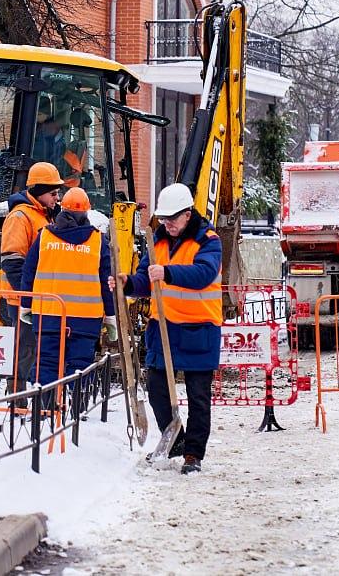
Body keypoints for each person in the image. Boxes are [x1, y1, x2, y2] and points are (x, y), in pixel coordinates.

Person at [122, 182, 222, 475]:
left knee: (198, 397)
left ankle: (193, 454)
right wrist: (128, 283)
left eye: (172, 219)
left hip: (199, 327)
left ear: (188, 214)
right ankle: (174, 439)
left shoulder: (209, 240)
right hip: (163, 327)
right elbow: (145, 279)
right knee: (157, 390)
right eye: (163, 219)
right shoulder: (158, 242)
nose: (167, 224)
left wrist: (166, 273)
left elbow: (204, 274)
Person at [20, 186, 115, 387]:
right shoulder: (98, 241)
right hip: (86, 320)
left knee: (46, 364)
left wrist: (26, 305)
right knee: (80, 367)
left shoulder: (44, 237)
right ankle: (76, 412)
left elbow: (28, 274)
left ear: (63, 209)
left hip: (48, 315)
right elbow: (108, 283)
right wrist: (110, 316)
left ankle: (44, 411)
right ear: (87, 212)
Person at [0, 162, 63, 392]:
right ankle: (15, 394)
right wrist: (28, 296)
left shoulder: (44, 216)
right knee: (24, 348)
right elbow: (12, 262)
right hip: (22, 299)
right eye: (53, 193)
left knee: (32, 348)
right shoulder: (21, 217)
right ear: (38, 192)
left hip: (37, 297)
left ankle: (26, 394)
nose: (58, 198)